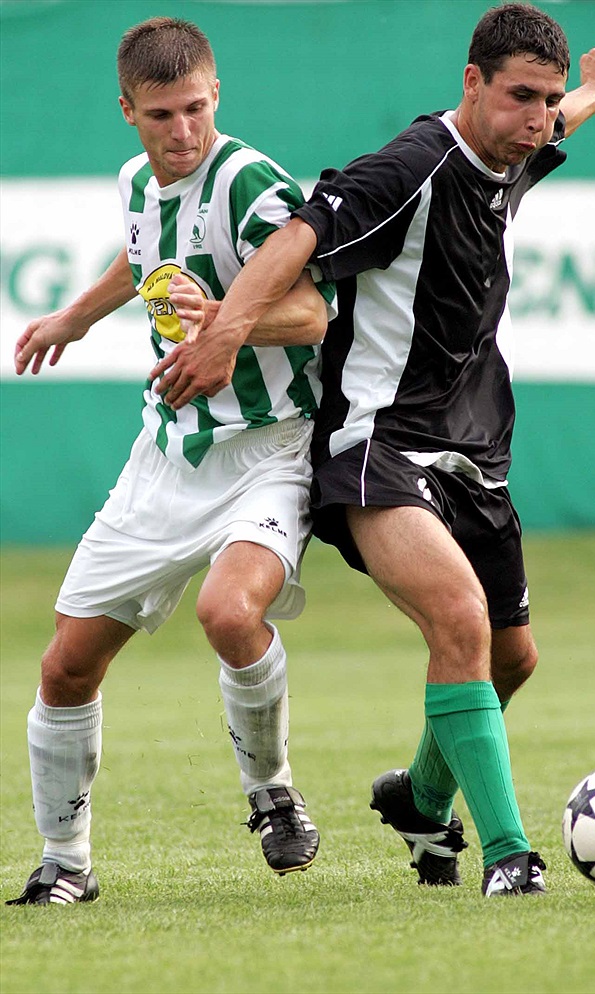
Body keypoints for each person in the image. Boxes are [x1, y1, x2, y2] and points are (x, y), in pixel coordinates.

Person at [143, 4, 595, 896]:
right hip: (377, 444)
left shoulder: (510, 147)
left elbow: (549, 120)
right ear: (471, 84)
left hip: (473, 448)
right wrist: (227, 332)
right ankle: (509, 857)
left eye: (548, 100)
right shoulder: (411, 167)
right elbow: (299, 237)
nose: (537, 118)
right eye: (520, 97)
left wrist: (594, 92)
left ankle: (419, 797)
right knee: (460, 621)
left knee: (513, 658)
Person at [7, 16, 337, 906]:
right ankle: (65, 863)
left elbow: (312, 313)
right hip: (165, 454)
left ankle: (272, 793)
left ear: (216, 93)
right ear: (128, 111)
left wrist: (227, 324)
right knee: (65, 667)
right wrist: (75, 317)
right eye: (161, 115)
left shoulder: (250, 182)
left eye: (196, 108)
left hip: (268, 448)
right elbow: (143, 257)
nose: (183, 130)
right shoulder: (134, 181)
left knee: (229, 613)